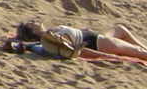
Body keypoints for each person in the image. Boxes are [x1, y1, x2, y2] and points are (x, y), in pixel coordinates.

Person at [12, 20, 147, 61]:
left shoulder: (50, 31)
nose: (34, 21)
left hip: (97, 36)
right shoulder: (50, 38)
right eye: (31, 23)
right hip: (99, 43)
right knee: (139, 52)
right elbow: (76, 50)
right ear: (33, 32)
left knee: (120, 28)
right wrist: (106, 56)